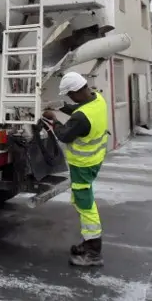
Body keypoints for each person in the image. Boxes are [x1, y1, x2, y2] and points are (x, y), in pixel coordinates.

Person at [42, 71, 109, 267]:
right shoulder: (98, 100)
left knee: (85, 204)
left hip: (83, 164)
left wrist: (53, 120)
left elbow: (64, 134)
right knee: (82, 199)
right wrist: (63, 107)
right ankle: (89, 243)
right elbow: (80, 110)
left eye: (69, 96)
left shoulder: (81, 118)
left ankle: (93, 251)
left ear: (76, 92)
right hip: (94, 160)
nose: (70, 98)